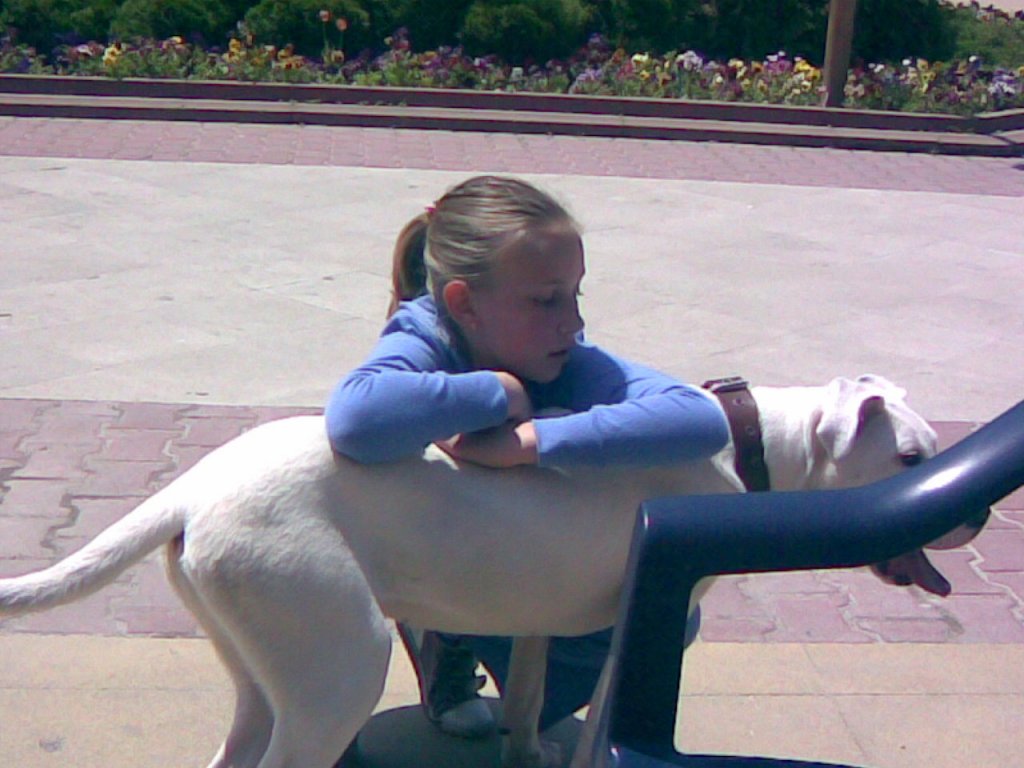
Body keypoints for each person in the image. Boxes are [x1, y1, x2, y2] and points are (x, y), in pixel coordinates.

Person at [325, 175, 729, 738]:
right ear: (463, 304)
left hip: (514, 557)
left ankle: (528, 685)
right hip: (433, 559)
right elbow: (356, 417)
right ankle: (442, 635)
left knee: (670, 615)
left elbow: (700, 419)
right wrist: (500, 391)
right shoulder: (426, 333)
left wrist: (530, 443)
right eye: (545, 300)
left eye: (575, 295)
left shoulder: (564, 356)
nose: (574, 322)